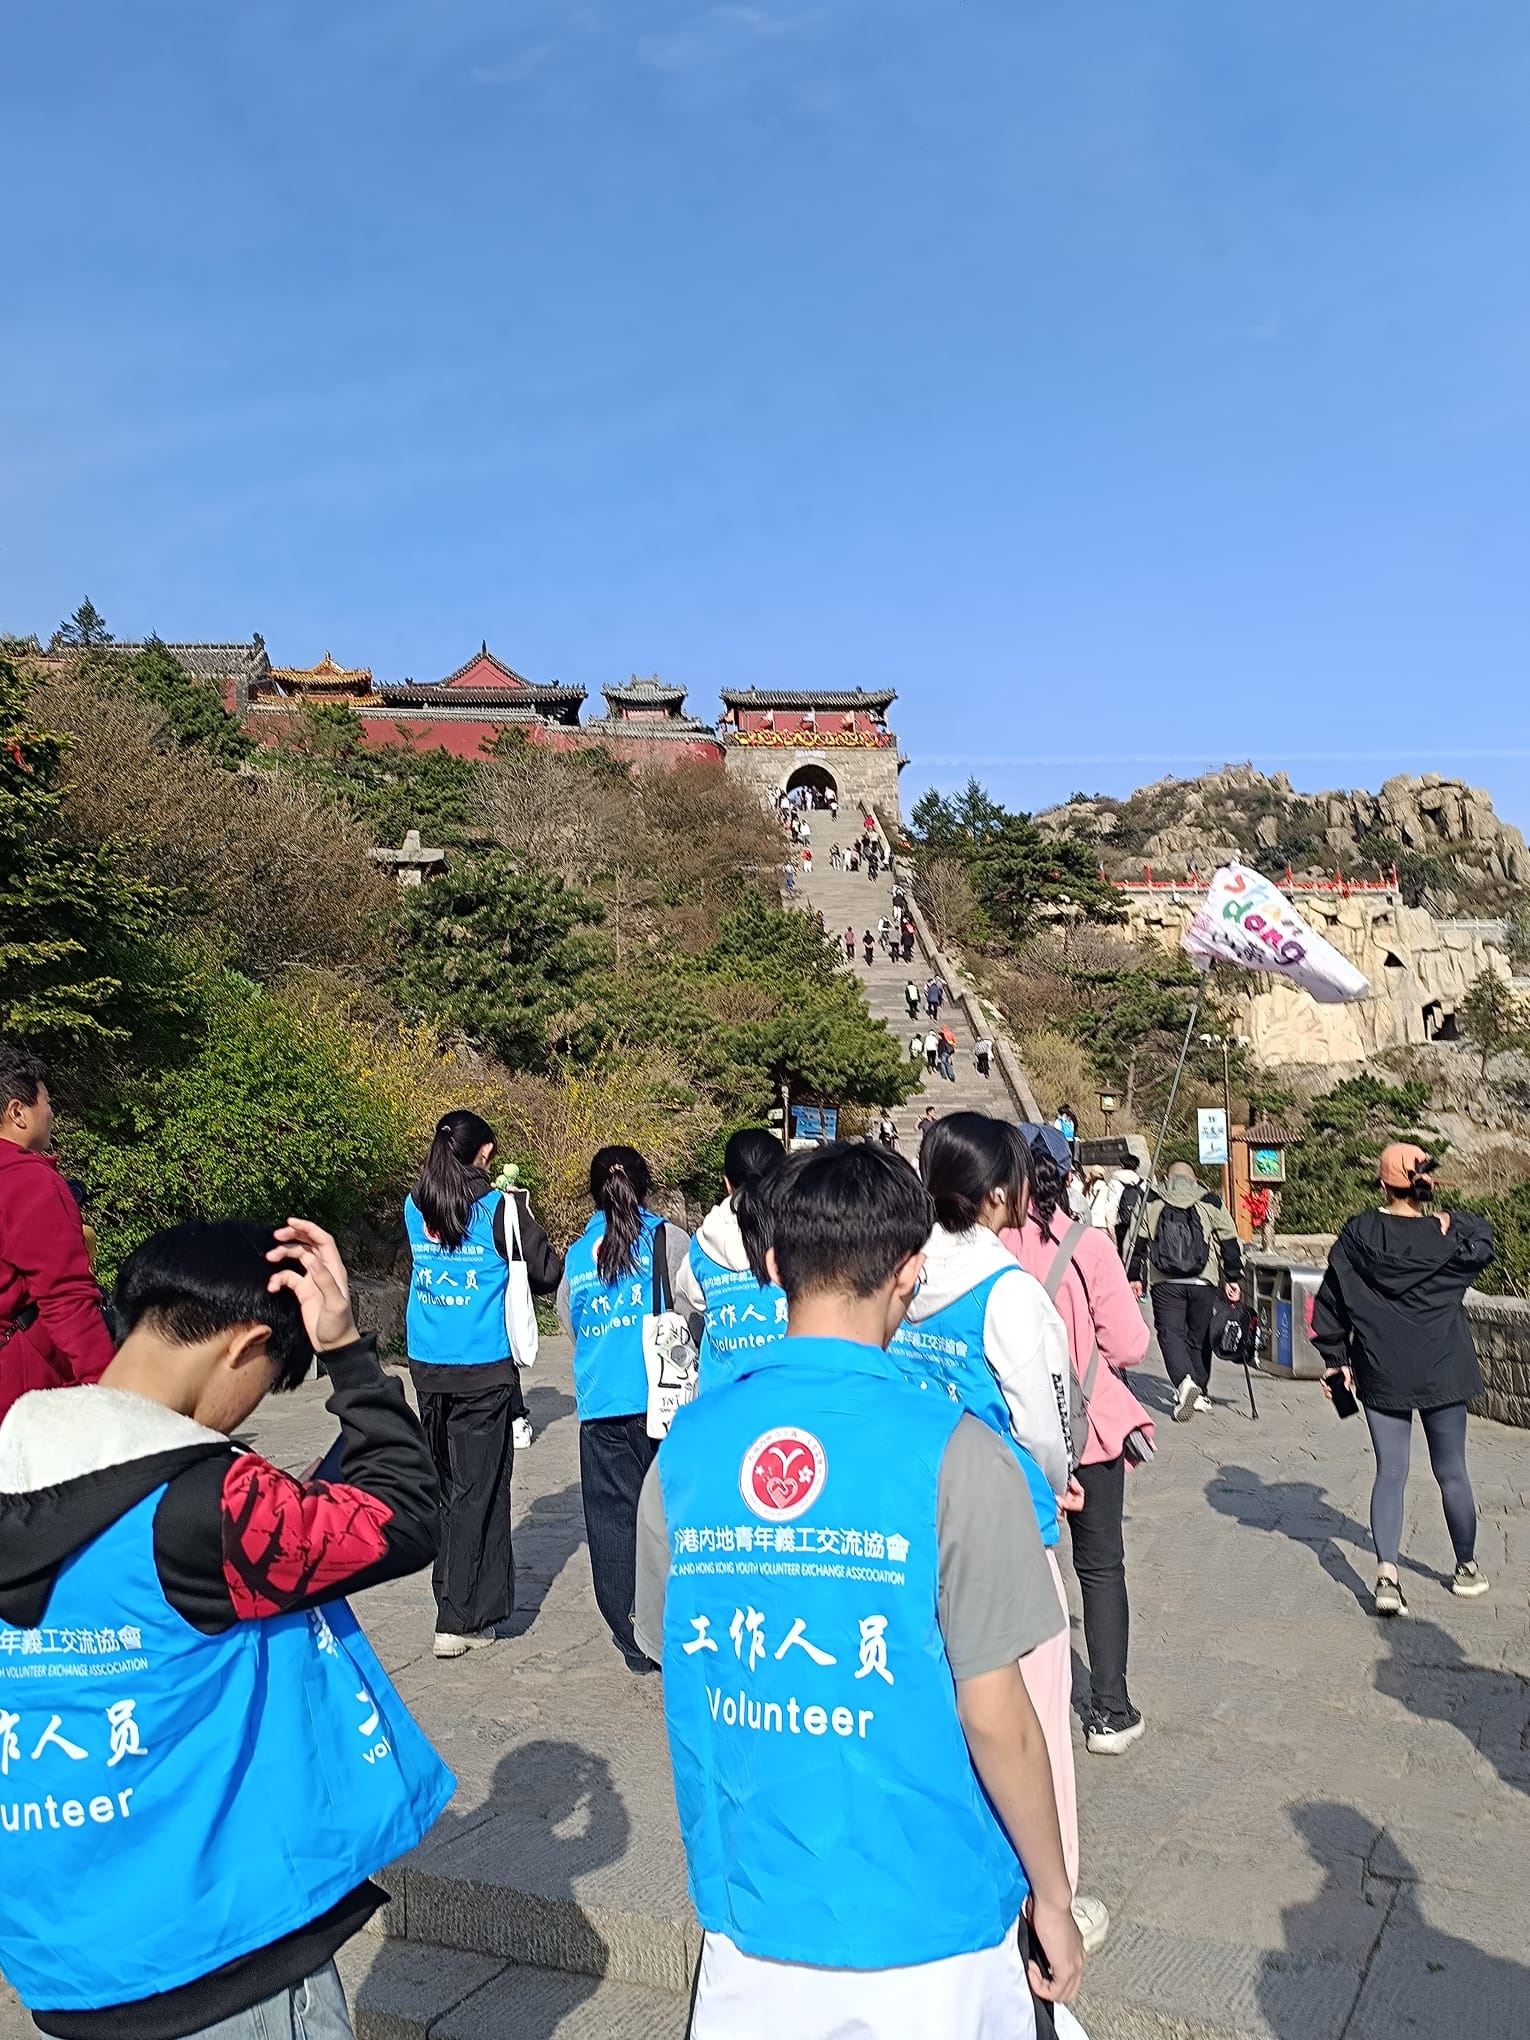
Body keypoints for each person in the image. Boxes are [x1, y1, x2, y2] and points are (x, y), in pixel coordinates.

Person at [634, 1143, 1084, 2038]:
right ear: (909, 1271)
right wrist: (1055, 1895)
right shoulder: (961, 1454)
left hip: (752, 1916)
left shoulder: (687, 1448)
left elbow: (667, 1644)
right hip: (935, 1930)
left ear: (771, 1265)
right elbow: (996, 1717)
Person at [0, 1217, 452, 2040]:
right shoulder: (205, 1505)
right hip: (226, 1961)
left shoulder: (16, 1468)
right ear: (245, 1346)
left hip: (66, 1962)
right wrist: (345, 1348)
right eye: (269, 1380)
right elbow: (404, 1513)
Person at [896, 1115, 1106, 1952]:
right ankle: (1053, 1897)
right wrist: (1056, 1481)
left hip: (920, 1520)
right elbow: (1047, 1426)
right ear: (995, 1193)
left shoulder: (902, 1275)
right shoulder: (1009, 1293)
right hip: (1006, 1530)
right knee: (1035, 1721)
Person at [1005, 1127, 1153, 1757]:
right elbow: (1129, 1345)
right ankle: (1109, 1711)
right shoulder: (1089, 1247)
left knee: (1013, 1567)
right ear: (1069, 1177)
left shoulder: (989, 1248)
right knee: (1100, 1567)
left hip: (1010, 1435)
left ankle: (1014, 1708)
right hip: (1086, 1430)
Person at [404, 1111, 563, 1658]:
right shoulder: (501, 1209)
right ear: (486, 1153)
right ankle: (460, 1617)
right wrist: (523, 1213)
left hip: (428, 1365)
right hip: (482, 1369)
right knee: (482, 1491)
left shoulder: (413, 1204)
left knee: (447, 1485)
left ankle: (452, 1597)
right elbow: (547, 1272)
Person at [1312, 1145, 1496, 1617]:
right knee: (1451, 1470)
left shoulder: (1357, 1234)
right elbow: (1484, 1237)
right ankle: (1466, 1568)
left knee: (1391, 1472)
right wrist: (1450, 1216)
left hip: (1381, 1366)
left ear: (1381, 1183)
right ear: (1425, 1184)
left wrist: (1336, 1358)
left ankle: (1387, 1578)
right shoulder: (1447, 1237)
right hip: (1443, 1367)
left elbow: (1331, 1300)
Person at [559, 1147, 697, 1672]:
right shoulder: (670, 1240)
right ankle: (677, 1630)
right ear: (645, 1185)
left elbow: (570, 1322)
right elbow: (690, 1312)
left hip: (602, 1406)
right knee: (672, 1519)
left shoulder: (578, 1255)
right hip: (665, 1404)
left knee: (613, 1524)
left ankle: (632, 1637)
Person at [0, 1044, 114, 1422]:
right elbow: (67, 1299)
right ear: (18, 1112)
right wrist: (109, 1393)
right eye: (46, 1102)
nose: (51, 1113)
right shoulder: (30, 1182)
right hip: (19, 1398)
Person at [1127, 1161, 1244, 1423]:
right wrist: (1233, 1276)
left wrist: (1134, 1275)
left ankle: (1184, 1382)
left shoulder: (1152, 1199)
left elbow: (1136, 1240)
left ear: (1166, 1177)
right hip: (1203, 1279)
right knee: (1199, 1335)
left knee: (1171, 1333)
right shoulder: (1209, 1200)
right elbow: (1229, 1238)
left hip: (1165, 1281)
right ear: (1195, 1179)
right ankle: (1199, 1390)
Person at [675, 1129, 788, 1394]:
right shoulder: (805, 1238)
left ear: (727, 1184)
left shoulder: (702, 1244)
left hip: (721, 1401)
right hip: (791, 1397)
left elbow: (691, 1296)